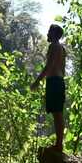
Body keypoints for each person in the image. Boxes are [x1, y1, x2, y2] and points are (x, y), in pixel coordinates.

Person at [31, 24, 66, 152]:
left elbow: (49, 66)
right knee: (57, 113)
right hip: (58, 80)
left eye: (49, 32)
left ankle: (59, 144)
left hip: (54, 81)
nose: (47, 34)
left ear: (55, 35)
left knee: (57, 114)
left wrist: (37, 82)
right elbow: (62, 68)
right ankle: (59, 143)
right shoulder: (62, 48)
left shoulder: (54, 46)